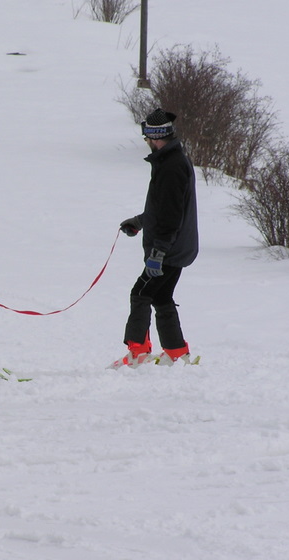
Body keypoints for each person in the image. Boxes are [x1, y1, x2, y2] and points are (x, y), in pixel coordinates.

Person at [113, 108, 199, 368]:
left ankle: (138, 352)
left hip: (169, 249)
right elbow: (162, 209)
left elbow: (171, 217)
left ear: (156, 136)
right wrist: (139, 222)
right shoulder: (170, 161)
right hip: (177, 247)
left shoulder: (171, 167)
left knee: (140, 293)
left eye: (149, 138)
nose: (148, 143)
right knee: (161, 297)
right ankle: (176, 352)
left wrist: (158, 253)